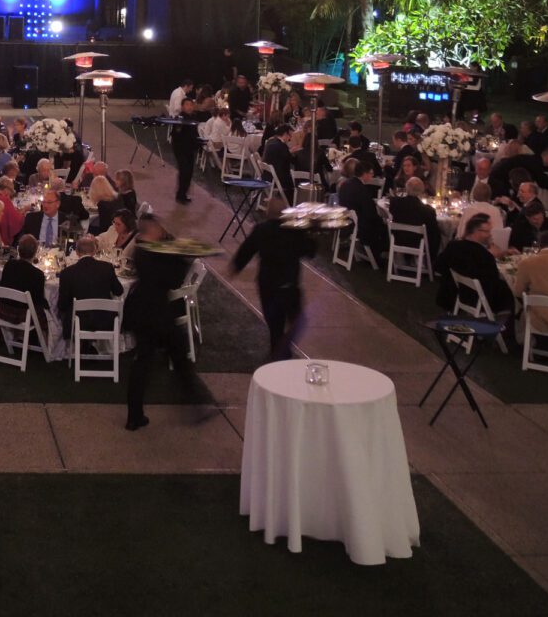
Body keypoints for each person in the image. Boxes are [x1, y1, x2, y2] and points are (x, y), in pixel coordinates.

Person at [123, 222, 212, 430]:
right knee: (176, 358)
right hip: (156, 315)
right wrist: (180, 256)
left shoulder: (143, 251)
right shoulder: (150, 254)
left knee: (144, 364)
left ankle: (135, 416)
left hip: (143, 313)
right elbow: (171, 280)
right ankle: (195, 404)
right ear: (151, 231)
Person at [231, 198, 317, 360]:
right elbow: (310, 252)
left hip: (267, 286)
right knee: (298, 321)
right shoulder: (295, 232)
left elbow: (246, 250)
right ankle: (282, 353)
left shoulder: (261, 230)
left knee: (275, 327)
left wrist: (236, 266)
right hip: (289, 286)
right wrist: (310, 233)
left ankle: (277, 357)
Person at [435, 212, 514, 321]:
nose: (490, 234)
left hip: (454, 294)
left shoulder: (453, 246)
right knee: (513, 294)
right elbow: (492, 281)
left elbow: (438, 266)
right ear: (476, 232)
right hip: (477, 299)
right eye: (487, 231)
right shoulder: (484, 255)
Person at [58, 234, 122, 337]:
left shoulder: (67, 273)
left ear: (77, 253)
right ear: (94, 251)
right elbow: (119, 291)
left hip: (78, 323)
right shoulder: (107, 268)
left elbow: (62, 305)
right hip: (106, 321)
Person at [0, 234, 50, 341]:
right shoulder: (37, 274)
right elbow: (38, 300)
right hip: (24, 315)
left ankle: (16, 335)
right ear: (35, 252)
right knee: (50, 310)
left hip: (4, 310)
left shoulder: (9, 265)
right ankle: (46, 343)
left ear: (18, 250)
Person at [336, 158, 386, 266]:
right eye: (371, 173)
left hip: (346, 220)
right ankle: (379, 256)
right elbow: (370, 213)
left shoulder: (346, 184)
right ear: (364, 174)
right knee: (383, 227)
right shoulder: (361, 189)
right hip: (357, 225)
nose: (372, 176)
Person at [389, 176, 444, 261]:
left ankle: (406, 259)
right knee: (436, 235)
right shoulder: (428, 210)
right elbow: (433, 229)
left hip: (398, 239)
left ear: (406, 188)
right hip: (417, 243)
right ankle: (431, 262)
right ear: (421, 191)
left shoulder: (394, 203)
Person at [171, 99, 202, 204]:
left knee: (189, 172)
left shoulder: (193, 118)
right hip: (181, 149)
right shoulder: (180, 118)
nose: (189, 107)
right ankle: (180, 195)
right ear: (182, 106)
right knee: (184, 171)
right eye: (187, 105)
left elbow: (195, 133)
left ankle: (184, 194)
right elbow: (177, 134)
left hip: (190, 149)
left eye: (191, 105)